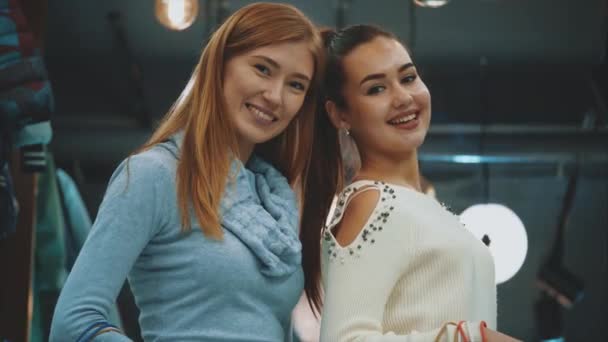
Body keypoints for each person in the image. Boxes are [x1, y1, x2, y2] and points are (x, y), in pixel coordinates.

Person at [50, 3, 324, 341]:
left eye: (296, 85)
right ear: (220, 65)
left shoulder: (274, 200)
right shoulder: (154, 175)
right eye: (263, 69)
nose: (275, 96)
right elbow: (73, 322)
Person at [299, 25, 521, 341]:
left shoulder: (417, 206)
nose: (403, 97)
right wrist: (470, 339)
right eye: (376, 89)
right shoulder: (372, 203)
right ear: (340, 115)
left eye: (408, 78)